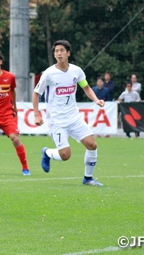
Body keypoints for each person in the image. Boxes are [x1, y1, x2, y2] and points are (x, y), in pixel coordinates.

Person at [34, 40, 105, 186]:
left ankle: (88, 178)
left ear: (68, 53)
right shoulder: (48, 74)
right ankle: (47, 152)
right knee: (65, 155)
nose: (58, 53)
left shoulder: (76, 71)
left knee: (92, 145)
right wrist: (36, 114)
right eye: (56, 51)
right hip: (57, 121)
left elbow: (86, 87)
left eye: (61, 50)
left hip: (74, 117)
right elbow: (36, 93)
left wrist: (96, 100)